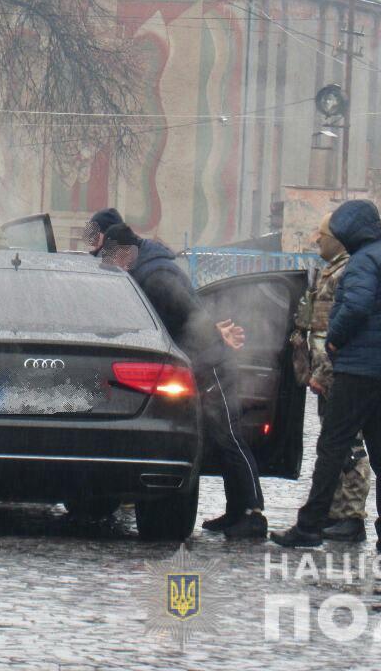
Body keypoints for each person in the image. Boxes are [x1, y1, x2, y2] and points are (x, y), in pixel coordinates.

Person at [100, 222, 267, 538]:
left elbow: (193, 317)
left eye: (112, 259)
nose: (111, 266)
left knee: (229, 436)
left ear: (125, 253)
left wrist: (216, 337)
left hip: (212, 363)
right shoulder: (149, 270)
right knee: (218, 438)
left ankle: (253, 513)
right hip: (198, 364)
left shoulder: (158, 279)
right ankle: (235, 513)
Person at [271, 199, 381, 553]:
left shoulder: (363, 262)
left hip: (356, 369)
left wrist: (334, 339)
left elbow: (357, 306)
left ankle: (310, 525)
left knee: (332, 446)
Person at [289, 213, 372, 542]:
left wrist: (322, 372)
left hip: (338, 373)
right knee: (332, 444)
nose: (316, 239)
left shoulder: (344, 273)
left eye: (321, 234)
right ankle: (337, 512)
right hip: (328, 371)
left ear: (337, 238)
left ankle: (351, 516)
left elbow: (331, 332)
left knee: (348, 444)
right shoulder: (331, 272)